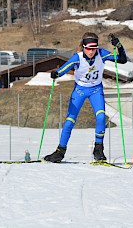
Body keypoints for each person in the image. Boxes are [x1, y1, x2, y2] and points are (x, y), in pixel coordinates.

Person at [44, 32, 127, 163]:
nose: (91, 52)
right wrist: (56, 74)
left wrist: (119, 46)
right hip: (80, 91)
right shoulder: (77, 57)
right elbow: (64, 69)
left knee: (101, 117)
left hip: (96, 90)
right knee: (70, 121)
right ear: (83, 47)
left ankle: (98, 149)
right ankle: (60, 151)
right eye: (88, 48)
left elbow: (122, 59)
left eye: (94, 48)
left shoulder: (101, 54)